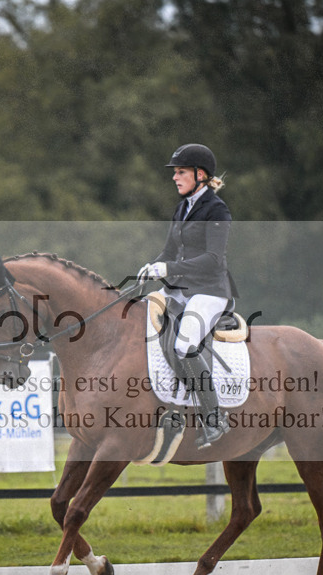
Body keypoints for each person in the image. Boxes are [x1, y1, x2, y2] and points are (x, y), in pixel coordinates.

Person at [137, 143, 238, 447]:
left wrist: (168, 268)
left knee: (184, 343)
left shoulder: (217, 210)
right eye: (175, 172)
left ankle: (214, 418)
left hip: (209, 291)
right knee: (144, 324)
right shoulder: (182, 208)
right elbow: (169, 252)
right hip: (181, 290)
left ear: (200, 174)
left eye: (180, 172)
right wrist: (152, 267)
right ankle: (174, 405)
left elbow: (214, 259)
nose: (175, 177)